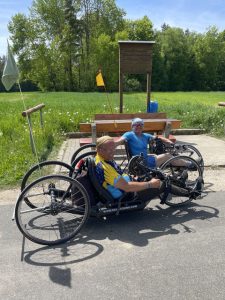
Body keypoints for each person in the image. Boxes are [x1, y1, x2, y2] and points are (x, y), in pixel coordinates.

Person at [95, 135, 164, 200]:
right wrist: (150, 184)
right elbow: (127, 187)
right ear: (99, 150)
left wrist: (131, 177)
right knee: (161, 184)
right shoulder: (105, 168)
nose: (113, 152)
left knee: (150, 176)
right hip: (125, 195)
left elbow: (118, 176)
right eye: (110, 150)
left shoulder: (100, 158)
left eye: (113, 149)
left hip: (122, 184)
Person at [115, 117, 193, 168]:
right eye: (136, 125)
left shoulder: (145, 135)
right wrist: (110, 144)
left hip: (143, 159)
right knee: (167, 156)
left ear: (143, 126)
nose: (138, 126)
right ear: (132, 127)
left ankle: (184, 164)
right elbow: (119, 141)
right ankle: (189, 164)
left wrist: (170, 142)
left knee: (159, 155)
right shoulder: (129, 134)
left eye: (140, 125)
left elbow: (159, 137)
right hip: (141, 163)